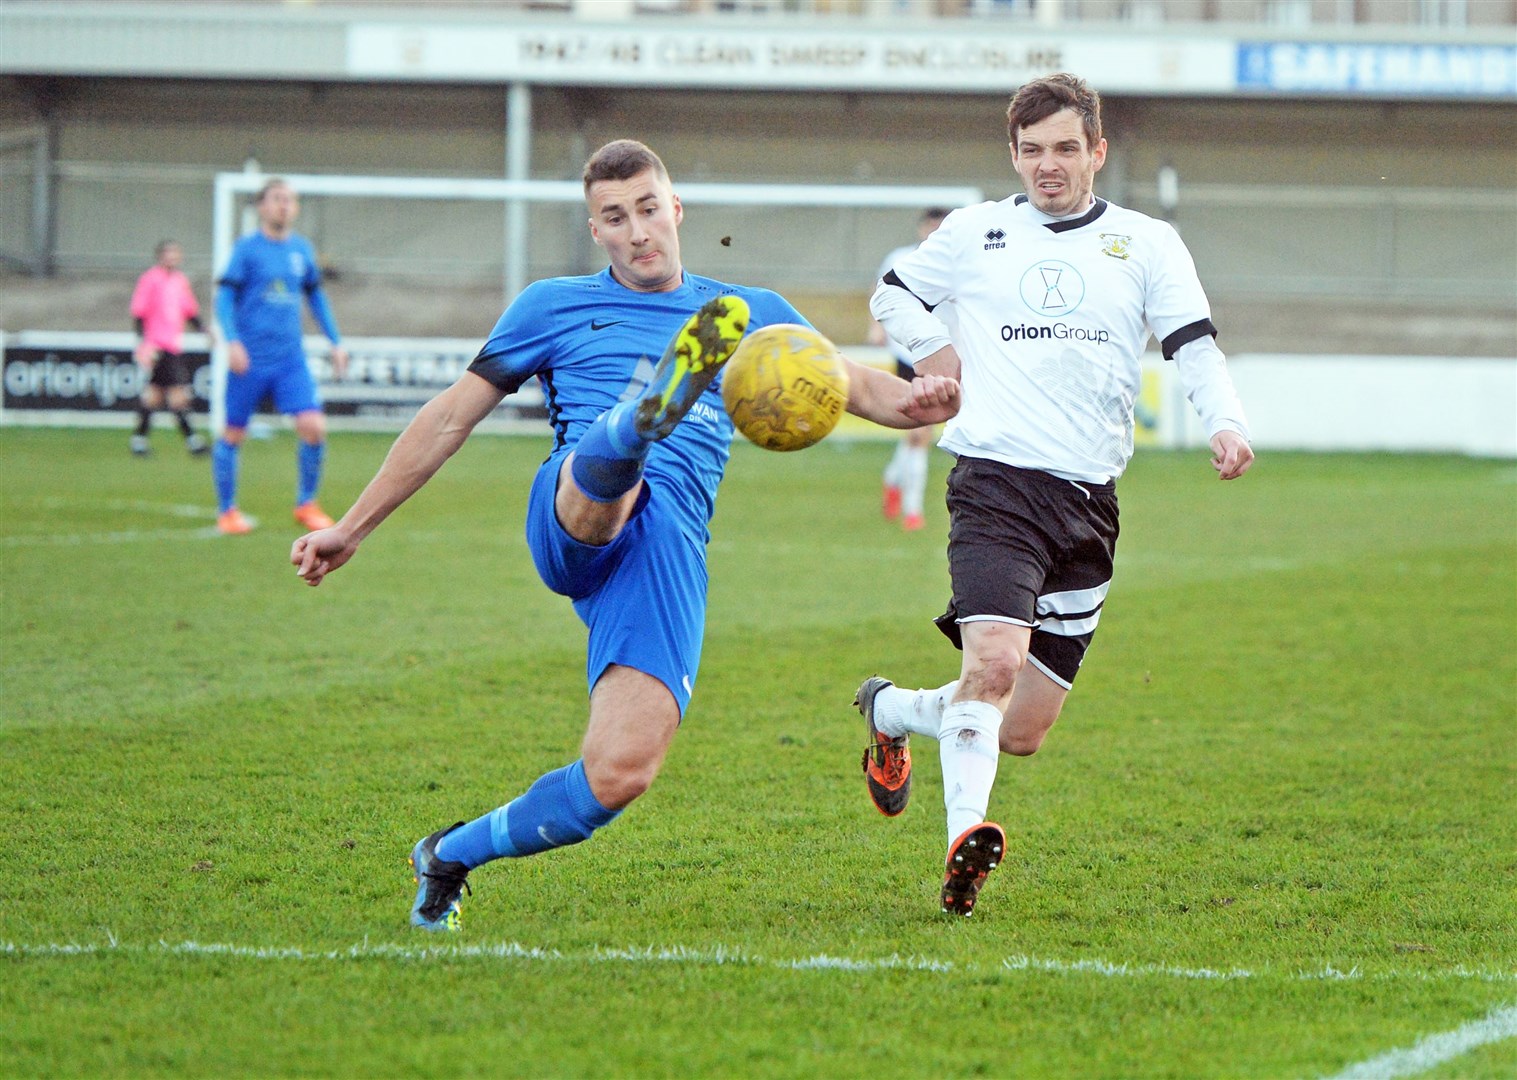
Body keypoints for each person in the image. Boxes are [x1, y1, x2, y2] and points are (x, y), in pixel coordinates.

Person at [288, 139, 961, 933]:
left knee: (618, 776)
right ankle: (640, 421)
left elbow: (868, 392)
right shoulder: (550, 304)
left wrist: (934, 395)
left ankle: (448, 854)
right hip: (572, 507)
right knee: (612, 466)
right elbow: (447, 418)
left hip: (664, 550)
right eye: (616, 217)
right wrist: (351, 527)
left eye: (648, 209)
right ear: (596, 231)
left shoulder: (756, 313)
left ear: (675, 211)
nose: (637, 229)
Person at [858, 72, 1254, 917]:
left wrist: (1223, 421)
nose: (1048, 166)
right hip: (994, 486)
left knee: (1022, 728)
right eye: (1031, 150)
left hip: (1088, 504)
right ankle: (963, 842)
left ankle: (889, 709)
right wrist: (937, 353)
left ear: (1097, 153)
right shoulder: (976, 232)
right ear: (1013, 154)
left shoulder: (1147, 243)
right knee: (992, 664)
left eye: (1065, 149)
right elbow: (892, 291)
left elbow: (1192, 342)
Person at [212, 178, 349, 535]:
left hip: (290, 359)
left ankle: (306, 503)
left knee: (314, 427)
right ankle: (227, 511)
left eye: (289, 200)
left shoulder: (301, 250)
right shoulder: (246, 249)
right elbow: (224, 299)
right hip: (251, 358)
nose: (283, 205)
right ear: (262, 206)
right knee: (233, 433)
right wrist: (232, 341)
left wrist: (335, 341)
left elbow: (316, 299)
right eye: (276, 199)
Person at [868, 207, 948, 531]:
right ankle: (913, 510)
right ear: (921, 229)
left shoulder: (956, 261)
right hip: (905, 354)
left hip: (940, 353)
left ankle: (893, 480)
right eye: (931, 226)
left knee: (920, 434)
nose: (934, 232)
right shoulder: (900, 258)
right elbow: (879, 293)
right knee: (919, 432)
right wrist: (875, 328)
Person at [128, 240, 212, 457]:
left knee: (154, 395)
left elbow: (189, 311)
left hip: (172, 345)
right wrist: (144, 343)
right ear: (160, 256)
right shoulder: (150, 279)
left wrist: (204, 329)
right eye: (168, 253)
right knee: (178, 393)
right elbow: (139, 311)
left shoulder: (179, 281)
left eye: (176, 253)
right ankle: (193, 442)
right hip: (157, 345)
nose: (172, 257)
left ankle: (139, 441)